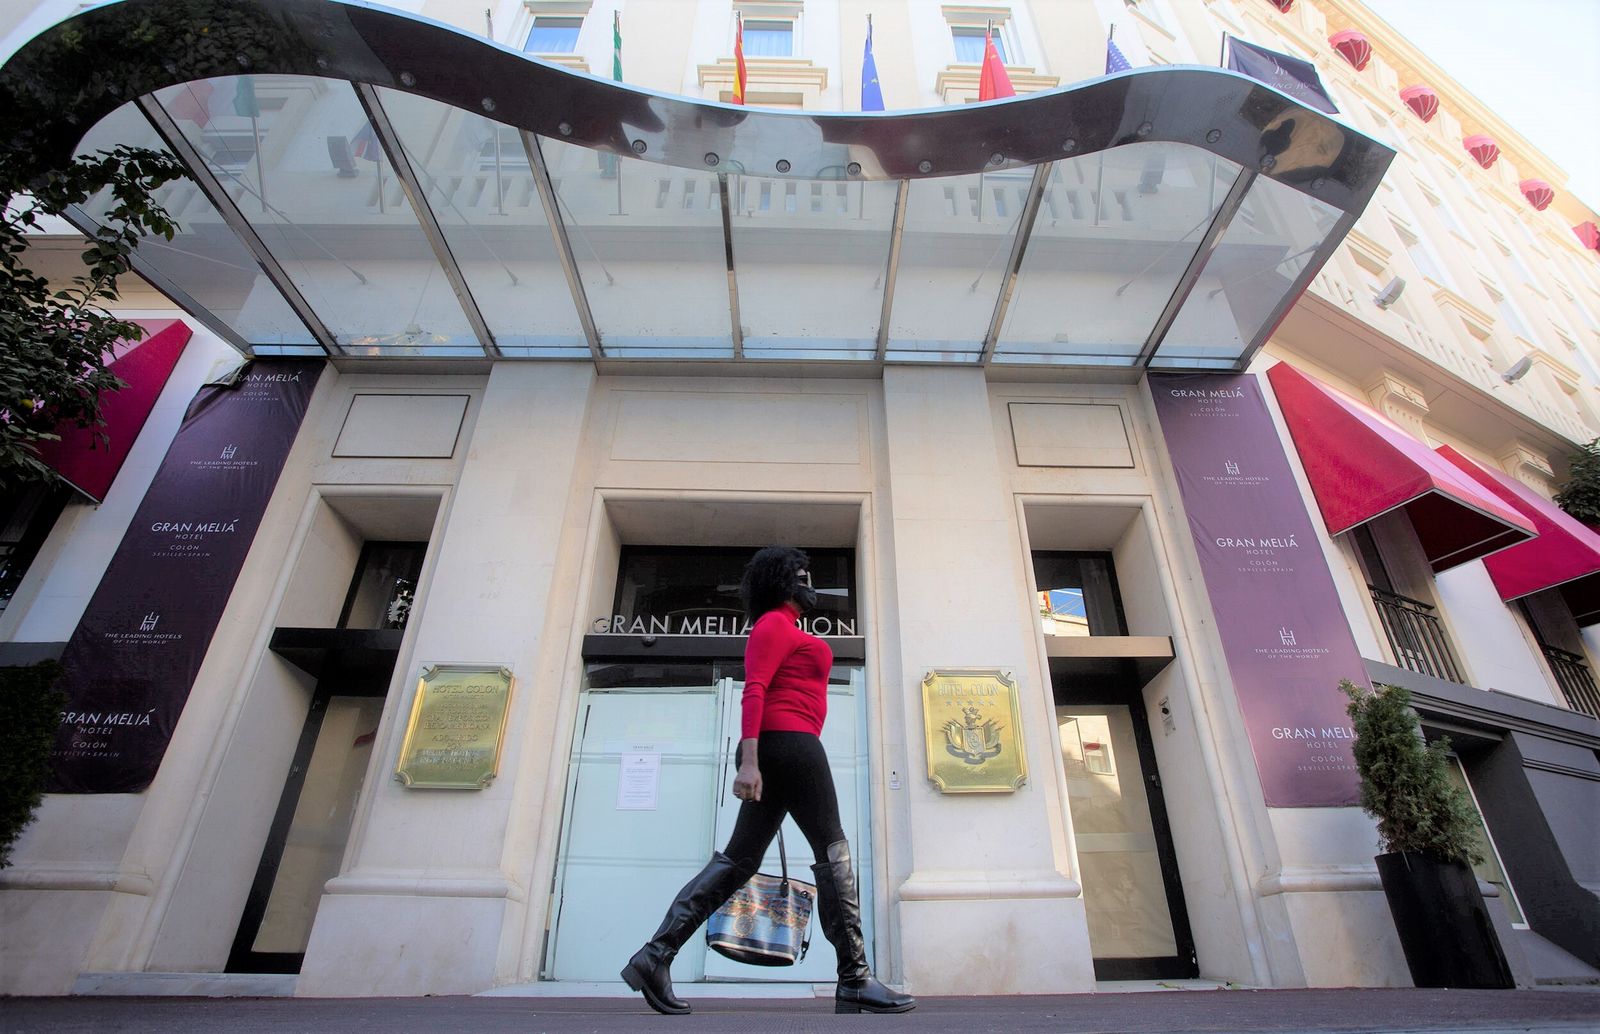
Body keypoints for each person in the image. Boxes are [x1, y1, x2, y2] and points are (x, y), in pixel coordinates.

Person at [621, 545, 915, 1016]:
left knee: (739, 859)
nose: (809, 584)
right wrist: (749, 761)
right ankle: (855, 977)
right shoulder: (773, 625)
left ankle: (654, 956)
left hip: (783, 747)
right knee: (833, 854)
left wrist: (757, 758)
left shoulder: (786, 627)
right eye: (801, 576)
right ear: (780, 583)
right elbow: (754, 688)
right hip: (790, 746)